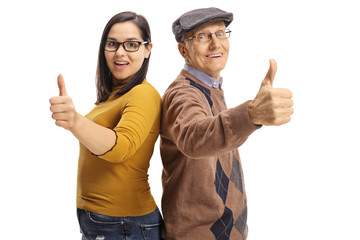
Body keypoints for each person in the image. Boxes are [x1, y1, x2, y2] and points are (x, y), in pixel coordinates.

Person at [160, 7, 294, 240]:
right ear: (183, 50)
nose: (215, 44)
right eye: (202, 37)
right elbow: (194, 137)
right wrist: (250, 115)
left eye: (220, 34)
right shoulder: (182, 94)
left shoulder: (210, 87)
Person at [49, 12, 163, 240]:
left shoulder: (143, 93)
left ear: (147, 49)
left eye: (131, 44)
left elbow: (121, 147)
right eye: (113, 44)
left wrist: (75, 121)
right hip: (106, 223)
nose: (120, 52)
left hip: (125, 225)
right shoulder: (114, 95)